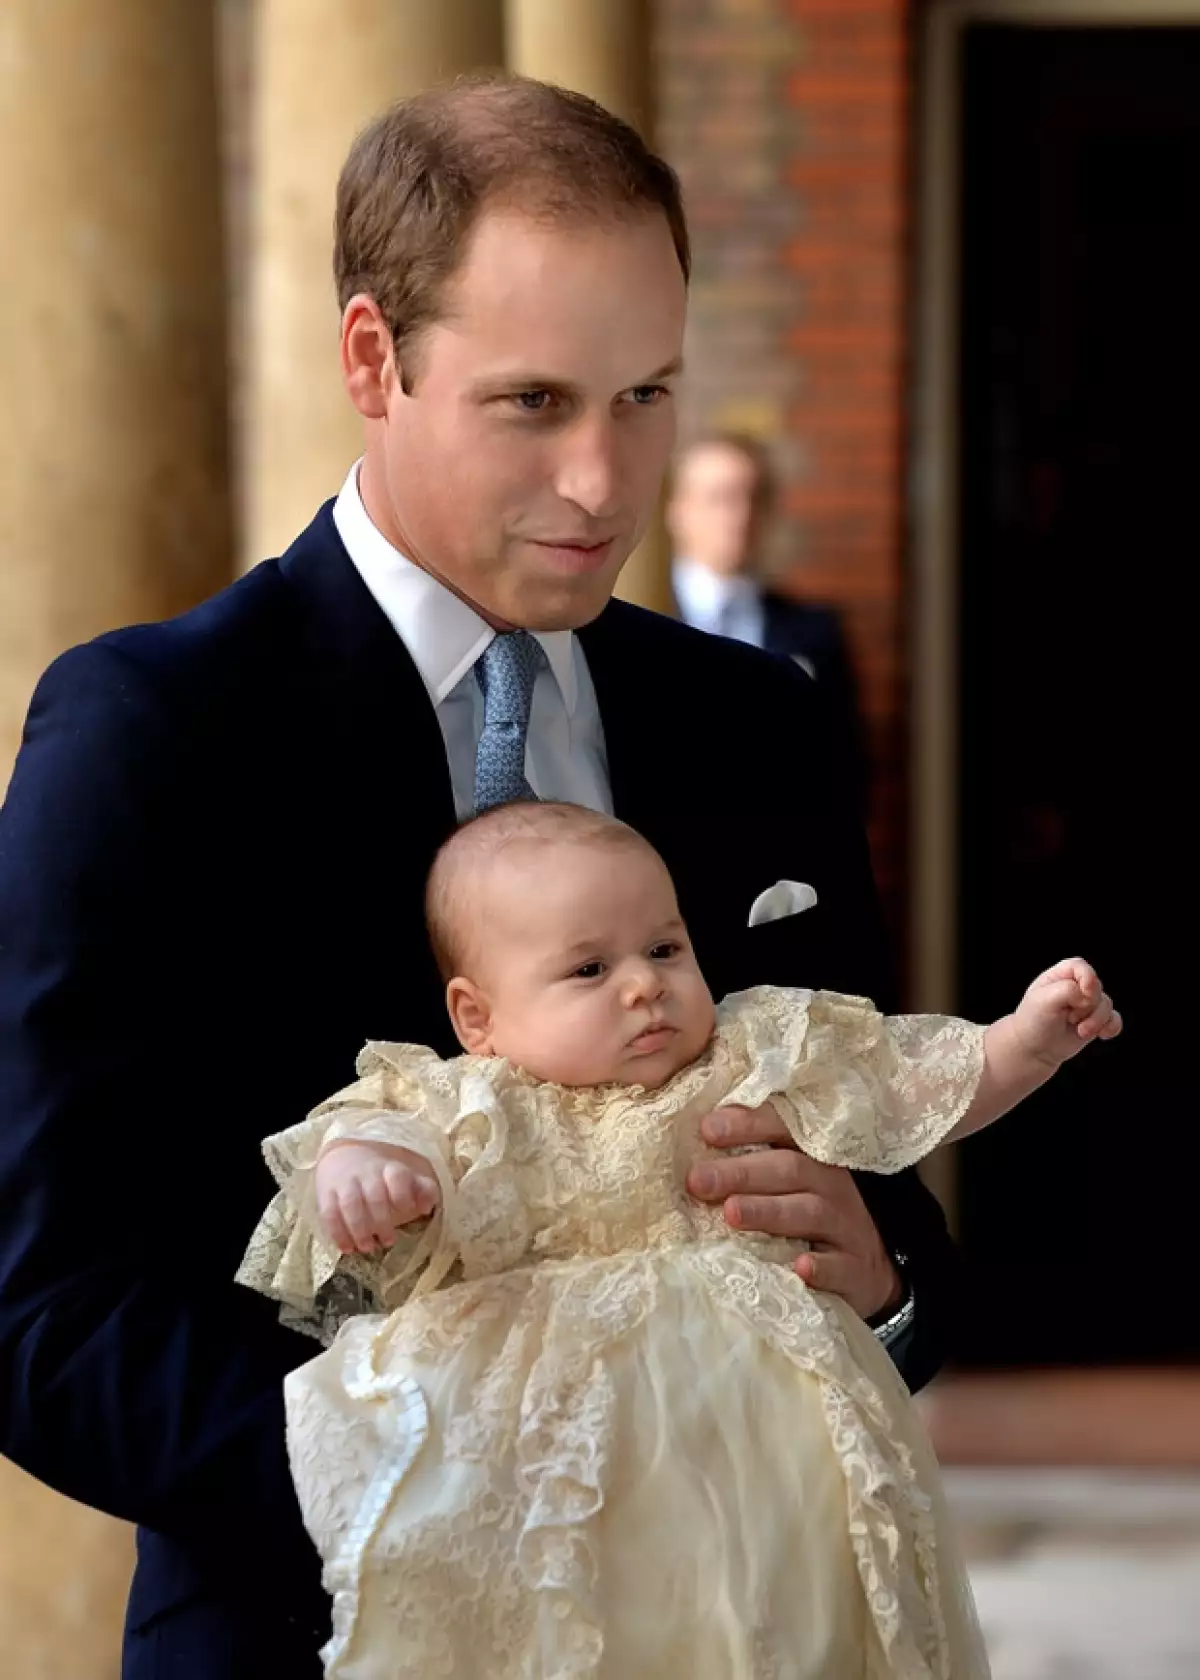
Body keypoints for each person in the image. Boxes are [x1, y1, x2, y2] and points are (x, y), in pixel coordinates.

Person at [0, 75, 960, 1679]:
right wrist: (440, 1490)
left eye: (646, 397)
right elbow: (44, 1310)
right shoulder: (149, 730)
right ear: (373, 359)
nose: (604, 480)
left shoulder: (757, 724)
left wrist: (882, 1288)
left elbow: (881, 1169)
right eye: (535, 403)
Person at [239, 800, 1120, 1680]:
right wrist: (367, 1167)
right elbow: (368, 1133)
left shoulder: (751, 1055)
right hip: (567, 1464)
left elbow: (907, 1084)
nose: (644, 985)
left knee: (809, 1623)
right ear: (477, 1019)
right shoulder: (477, 1105)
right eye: (589, 968)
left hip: (773, 1450)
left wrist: (1023, 1044)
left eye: (664, 949)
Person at [667, 432, 868, 803]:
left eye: (754, 498)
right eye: (721, 499)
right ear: (677, 510)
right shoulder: (623, 622)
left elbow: (847, 767)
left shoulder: (815, 631)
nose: (740, 516)